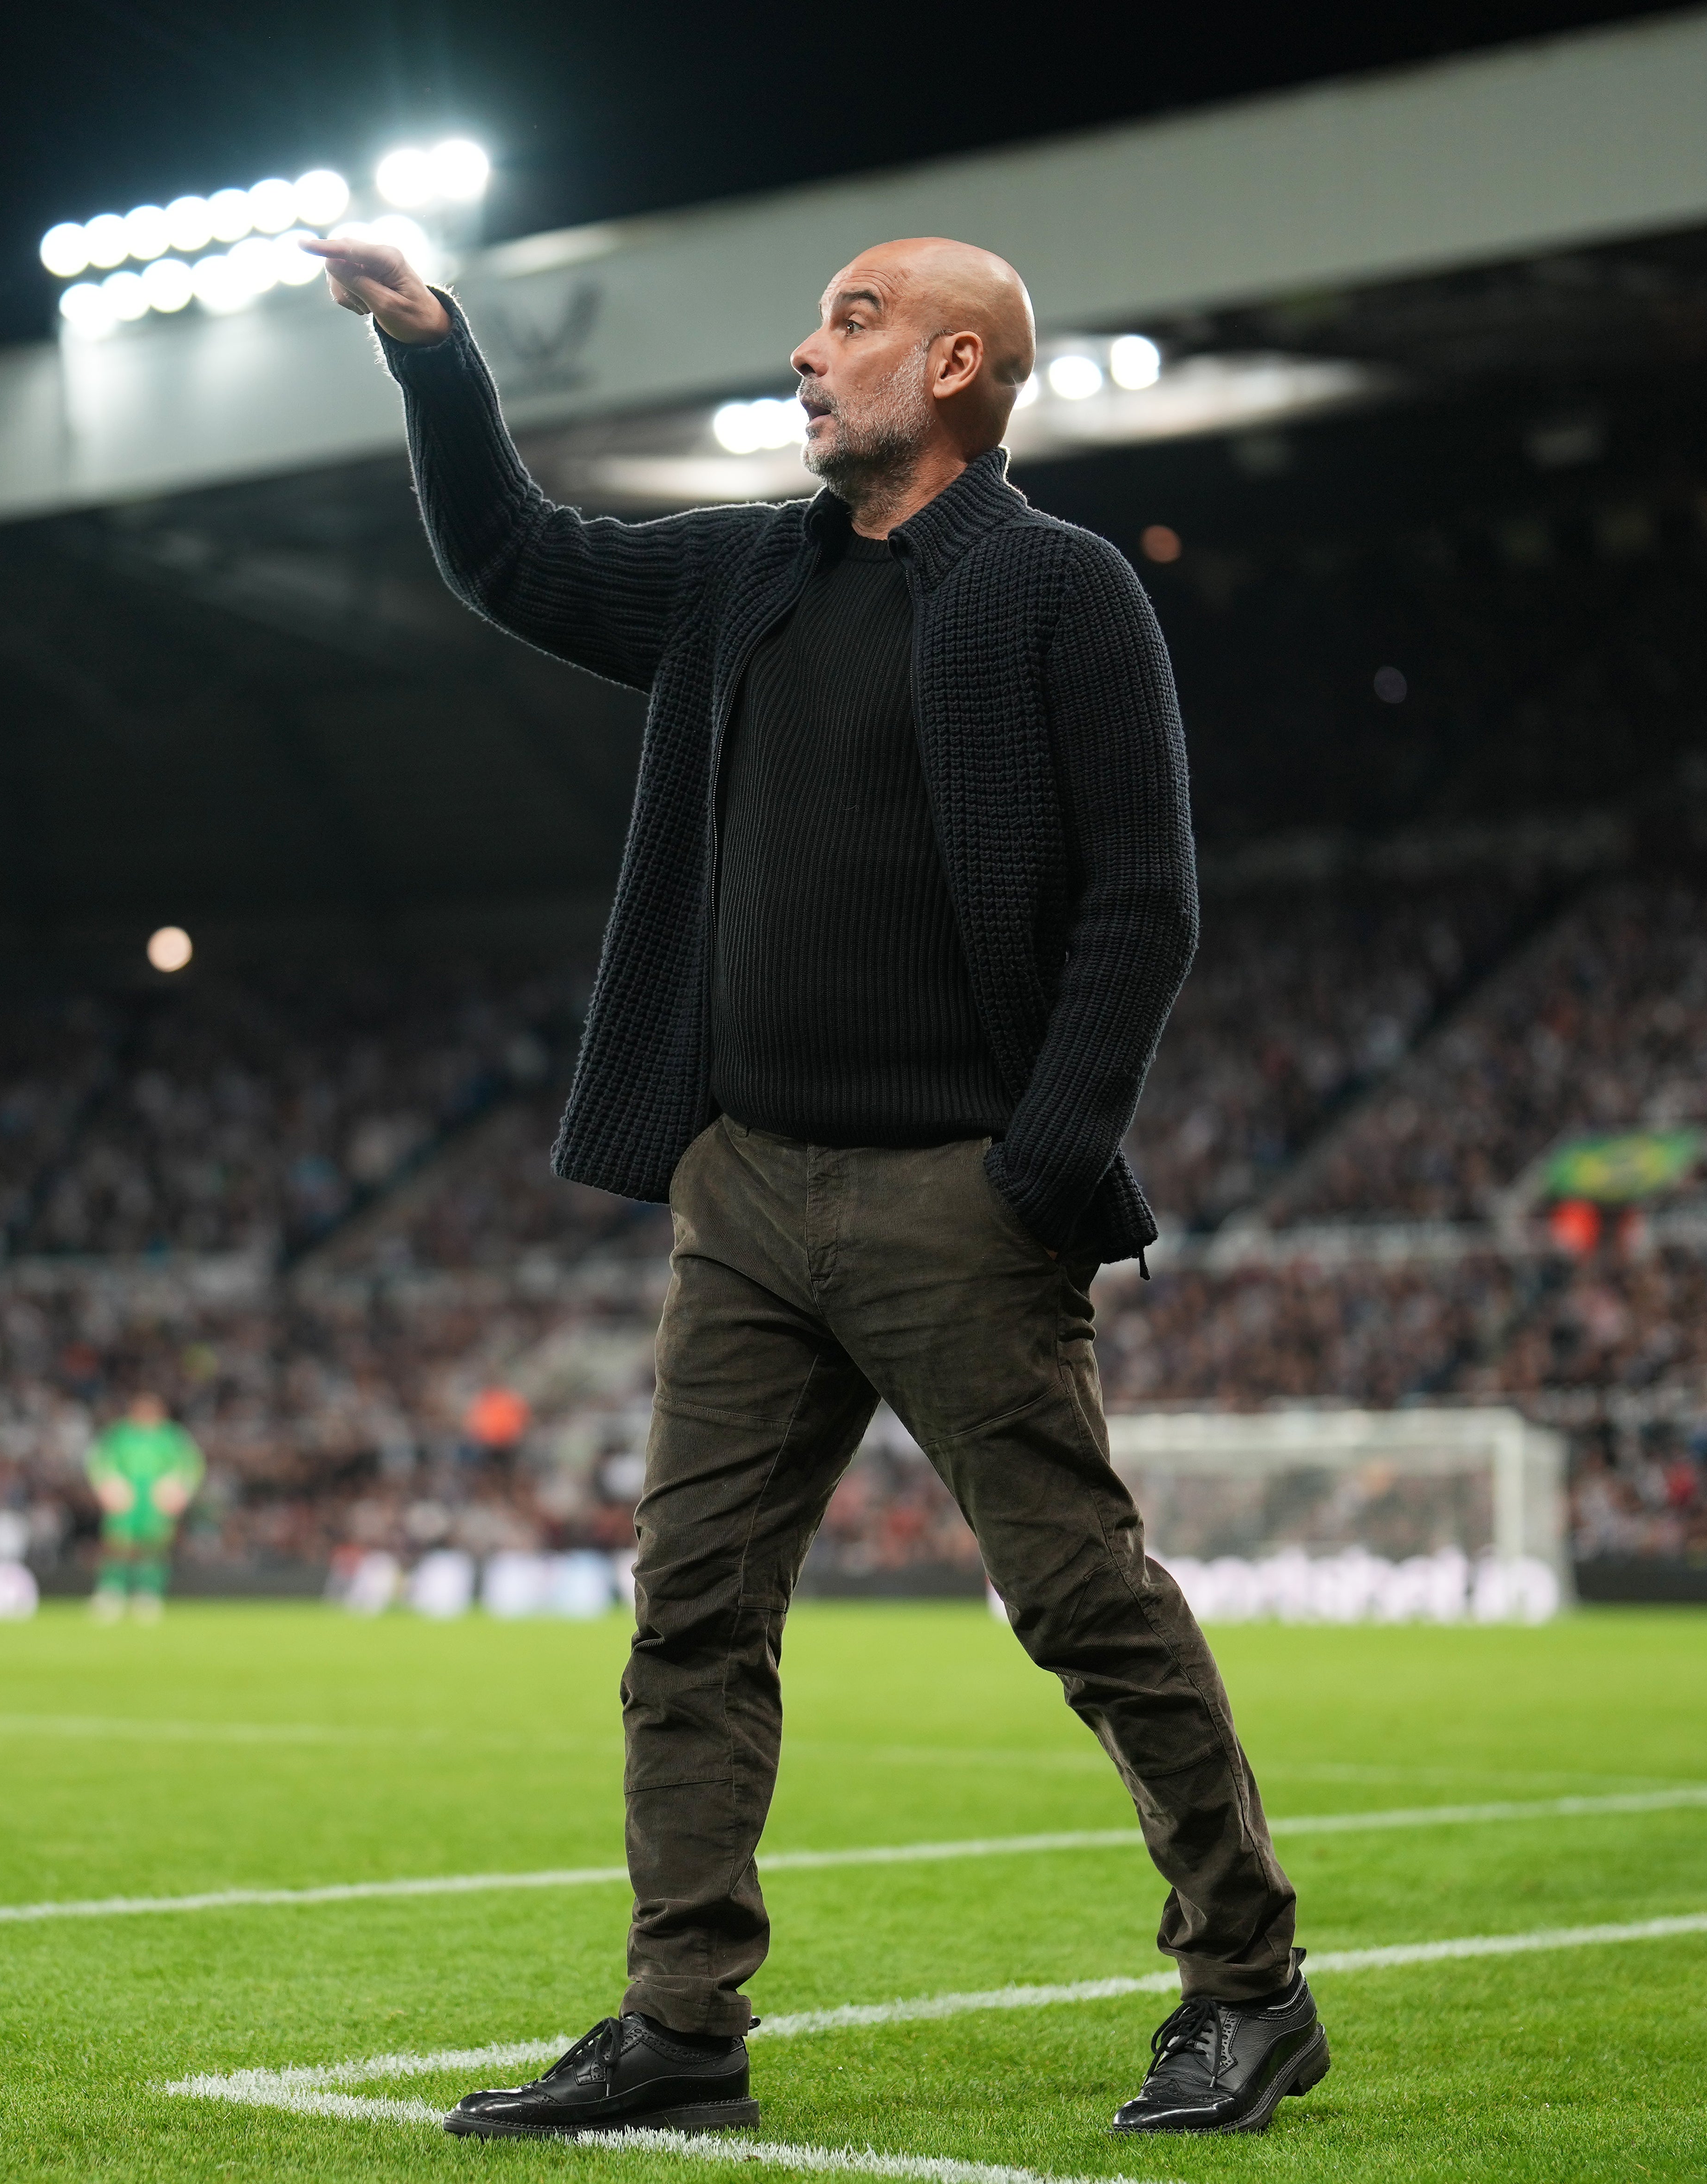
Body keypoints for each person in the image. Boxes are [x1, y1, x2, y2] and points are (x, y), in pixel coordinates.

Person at [307, 230, 1320, 2139]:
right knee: (690, 1611)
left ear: (954, 367)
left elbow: (1143, 905)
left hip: (962, 1197)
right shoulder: (741, 575)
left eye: (849, 321)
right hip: (747, 1189)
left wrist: (1038, 1164)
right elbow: (514, 555)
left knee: (1080, 1602)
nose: (803, 351)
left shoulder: (1055, 587)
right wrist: (439, 361)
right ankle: (680, 2021)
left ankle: (1249, 1979)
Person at [87, 1392, 202, 1624]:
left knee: (154, 1548)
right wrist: (106, 1486)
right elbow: (99, 1461)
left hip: (155, 1501)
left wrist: (181, 1490)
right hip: (127, 1498)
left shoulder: (172, 1437)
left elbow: (191, 1465)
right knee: (118, 1544)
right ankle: (112, 1591)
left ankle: (148, 1594)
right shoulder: (120, 1435)